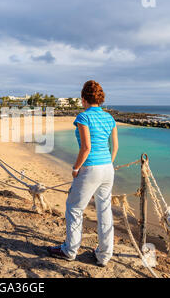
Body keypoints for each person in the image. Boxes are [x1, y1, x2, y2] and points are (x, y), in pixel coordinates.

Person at [48, 80, 119, 267]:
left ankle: (69, 250)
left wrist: (75, 168)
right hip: (107, 168)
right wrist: (108, 164)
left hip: (90, 168)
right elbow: (115, 147)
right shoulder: (109, 118)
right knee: (104, 211)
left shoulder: (83, 117)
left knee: (74, 208)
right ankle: (104, 255)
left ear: (83, 98)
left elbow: (86, 147)